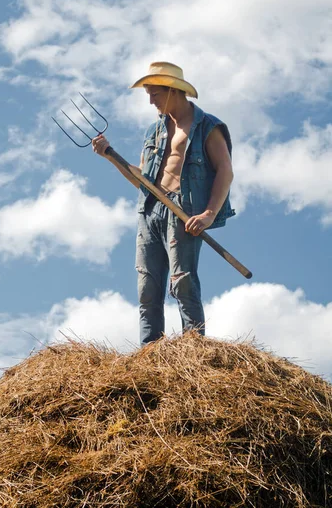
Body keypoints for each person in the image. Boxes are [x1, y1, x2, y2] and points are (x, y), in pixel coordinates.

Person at [92, 62, 235, 345]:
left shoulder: (208, 127)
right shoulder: (153, 132)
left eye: (154, 93)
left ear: (173, 91)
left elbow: (225, 171)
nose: (150, 101)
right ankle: (150, 353)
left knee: (182, 282)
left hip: (184, 212)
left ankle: (194, 348)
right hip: (150, 212)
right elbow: (144, 181)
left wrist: (208, 214)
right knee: (147, 286)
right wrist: (110, 155)